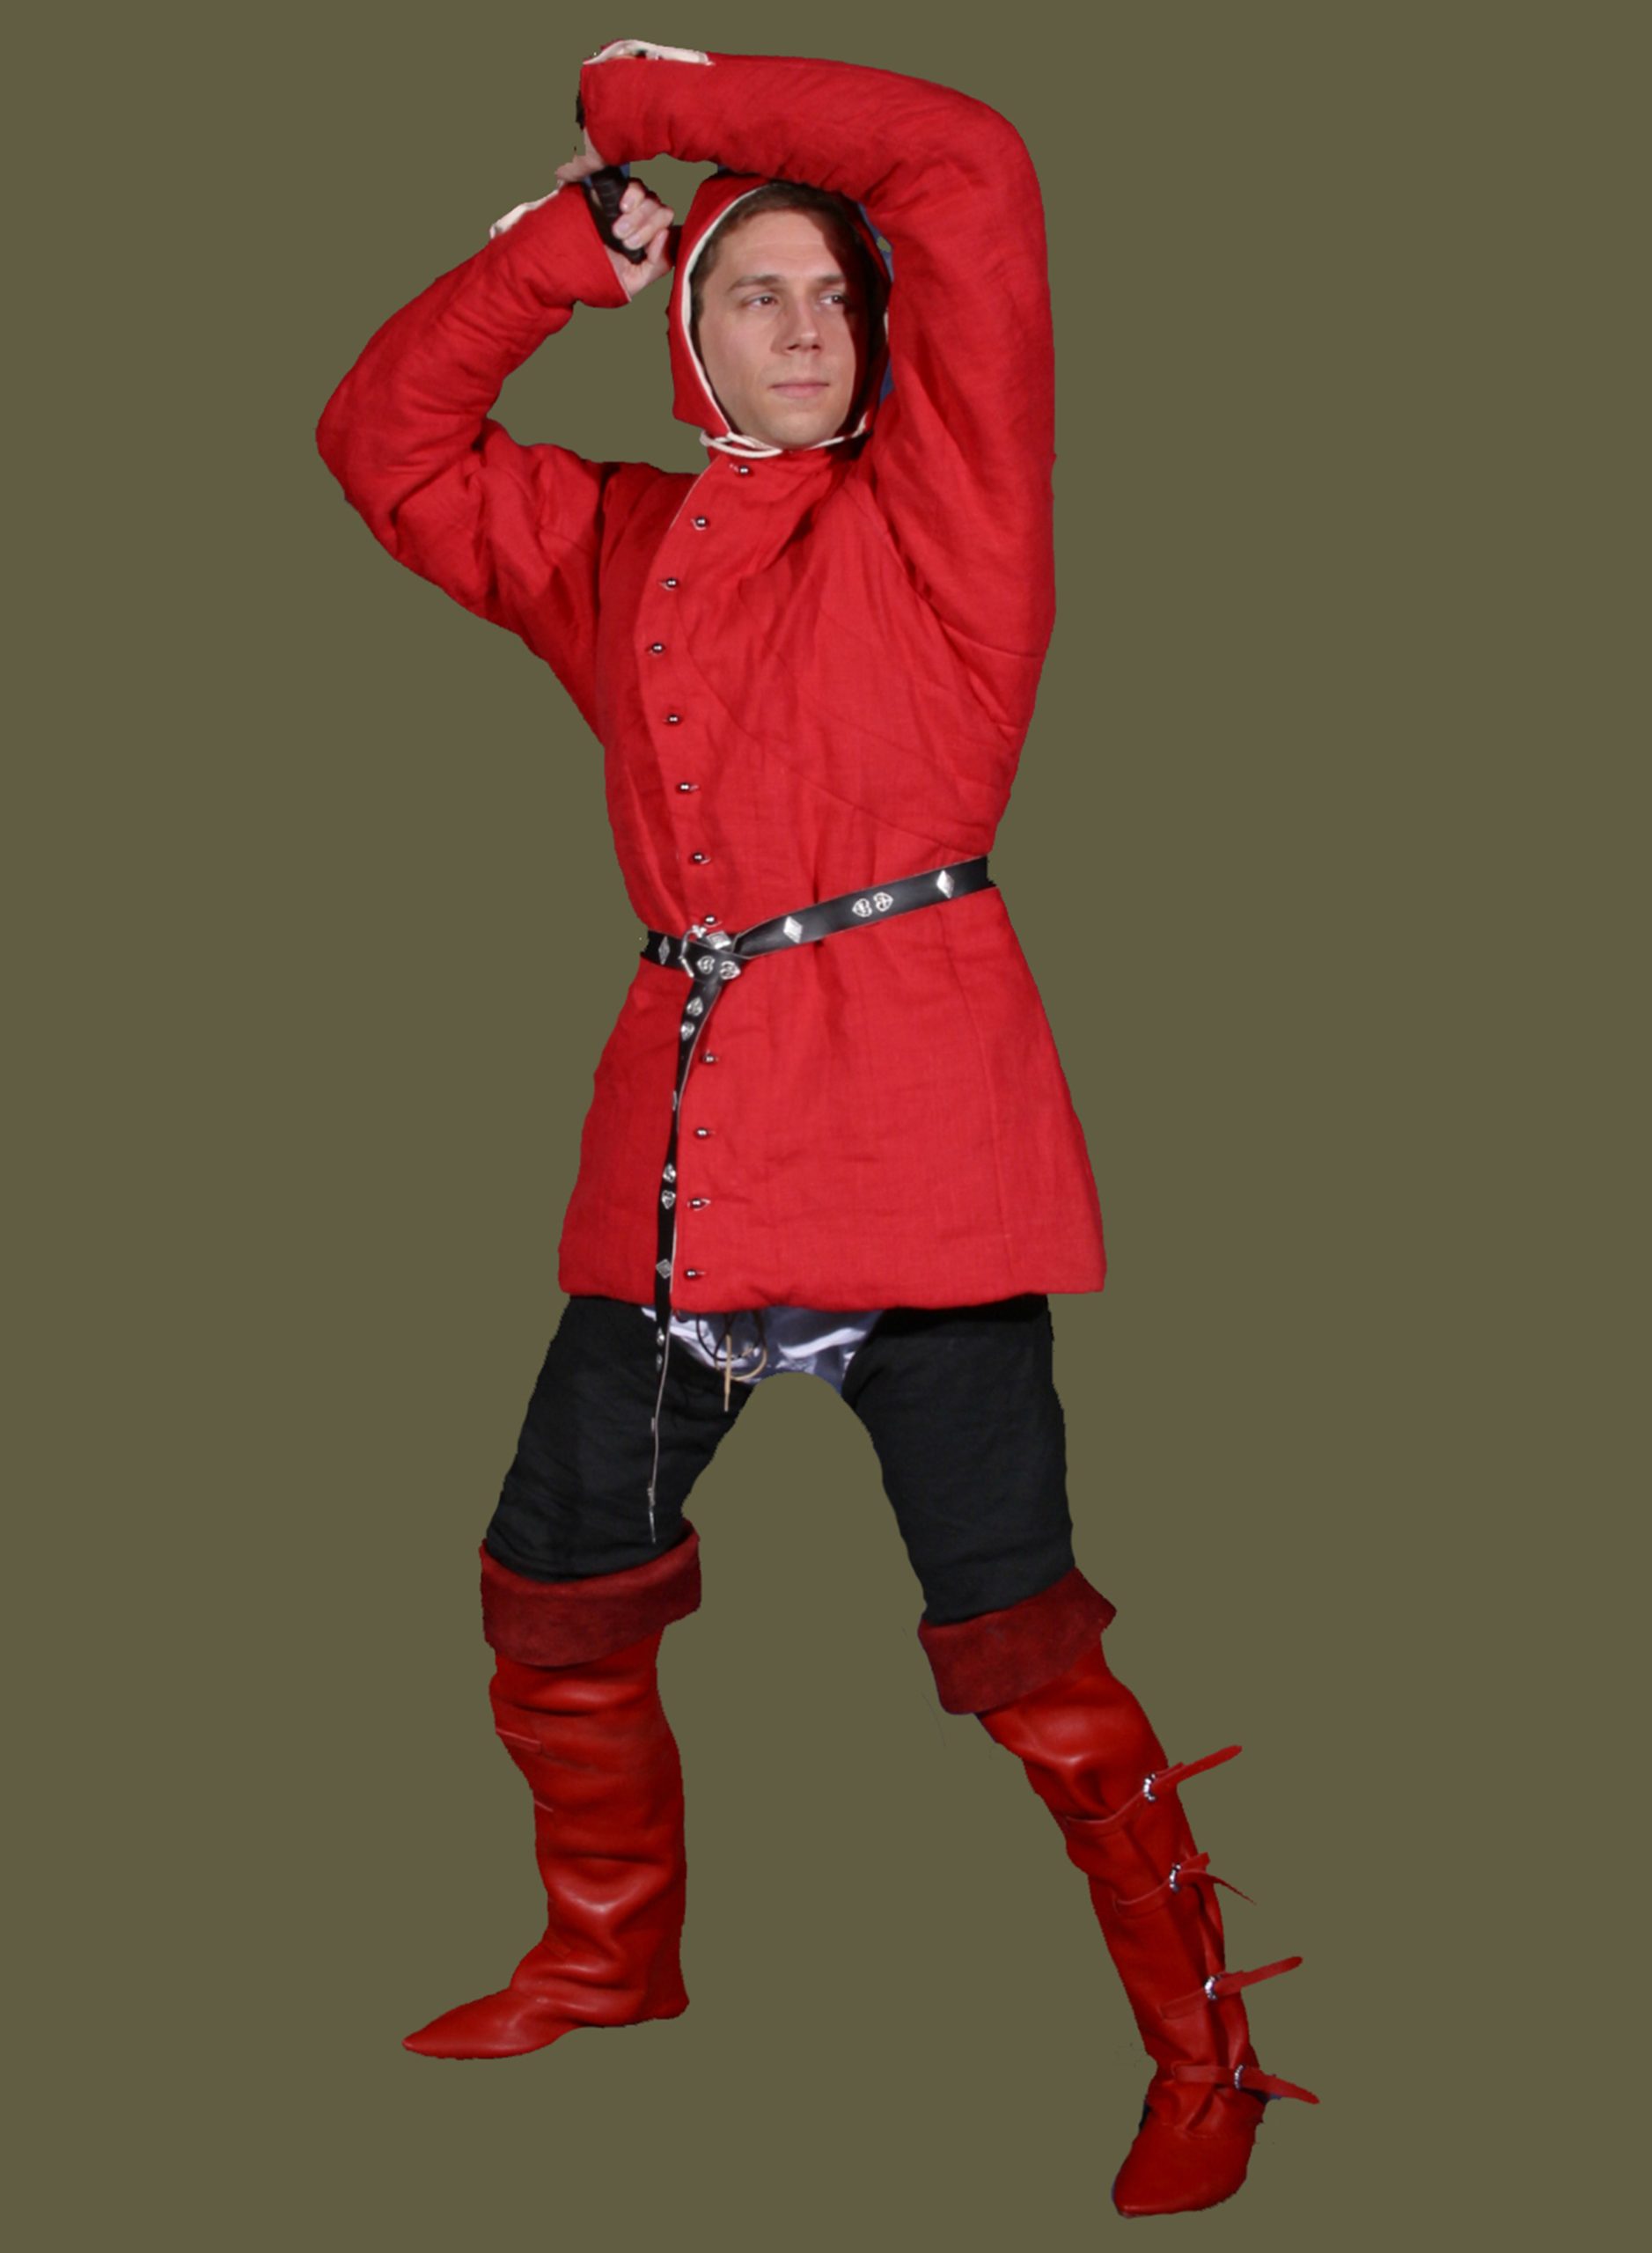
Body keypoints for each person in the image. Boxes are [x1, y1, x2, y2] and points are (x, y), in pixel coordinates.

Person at [314, 36, 1317, 2217]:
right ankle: (611, 1950)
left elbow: (965, 162)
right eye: (753, 291)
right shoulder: (620, 542)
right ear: (691, 332)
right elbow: (381, 442)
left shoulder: (951, 508)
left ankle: (1206, 2056)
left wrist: (667, 101)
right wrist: (549, 256)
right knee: (553, 1581)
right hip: (682, 1162)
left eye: (834, 295)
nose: (804, 324)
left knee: (1025, 1649)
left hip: (918, 1150)